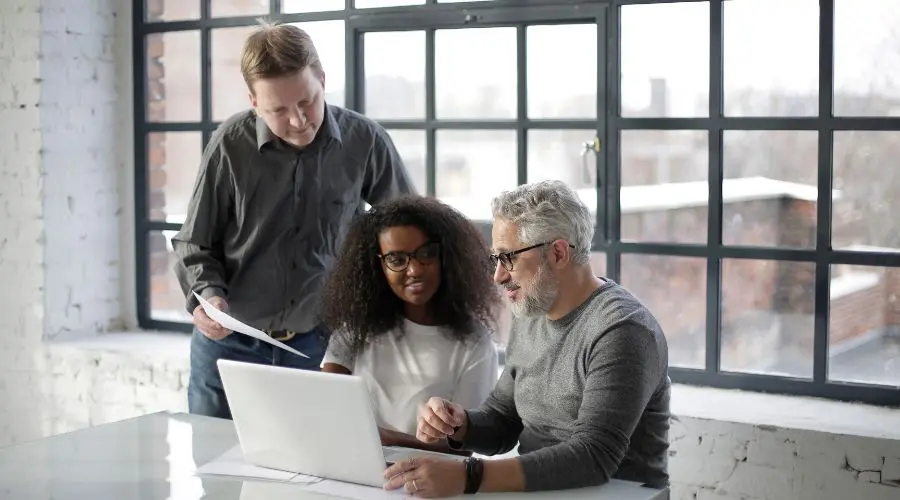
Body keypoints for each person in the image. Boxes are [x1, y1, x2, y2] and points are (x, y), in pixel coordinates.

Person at [172, 20, 416, 419]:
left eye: (307, 102)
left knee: (314, 473)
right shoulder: (230, 144)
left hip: (323, 346)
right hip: (230, 347)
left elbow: (409, 231)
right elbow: (195, 243)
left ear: (322, 78)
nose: (299, 121)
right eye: (278, 110)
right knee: (216, 471)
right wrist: (207, 296)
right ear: (253, 101)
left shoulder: (365, 141)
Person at [383, 180, 671, 497]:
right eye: (496, 259)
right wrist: (458, 423)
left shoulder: (622, 329)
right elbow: (503, 419)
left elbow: (595, 456)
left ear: (558, 253)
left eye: (509, 258)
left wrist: (469, 475)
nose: (498, 276)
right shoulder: (532, 310)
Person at [319, 195, 501, 454]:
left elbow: (462, 448)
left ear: (446, 256)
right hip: (355, 470)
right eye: (396, 259)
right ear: (377, 266)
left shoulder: (475, 344)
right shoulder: (354, 331)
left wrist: (383, 439)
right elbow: (326, 409)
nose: (414, 269)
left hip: (429, 482)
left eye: (426, 254)